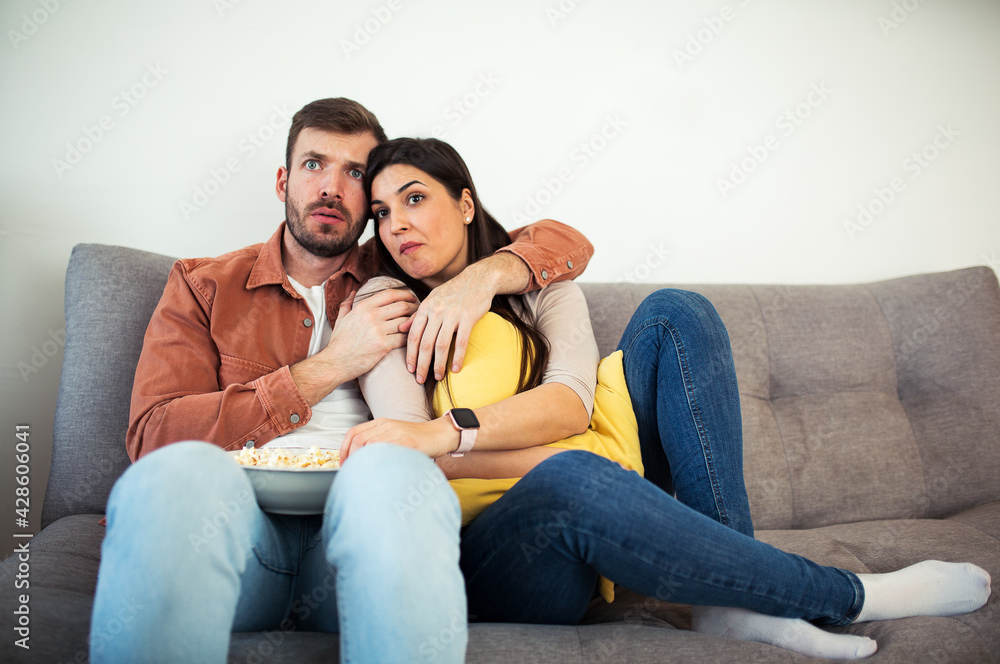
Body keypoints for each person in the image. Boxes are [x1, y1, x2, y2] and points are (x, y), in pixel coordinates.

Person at [342, 136, 993, 660]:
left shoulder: (541, 288)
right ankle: (851, 593)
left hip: (603, 481)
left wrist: (482, 281)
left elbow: (570, 401)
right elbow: (413, 455)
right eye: (381, 213)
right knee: (572, 474)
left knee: (675, 311)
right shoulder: (385, 305)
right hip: (501, 552)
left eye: (414, 198)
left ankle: (729, 605)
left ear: (463, 203)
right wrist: (567, 462)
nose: (396, 224)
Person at [89, 98, 596, 664]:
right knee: (173, 474)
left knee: (393, 474)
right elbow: (155, 434)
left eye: (354, 172)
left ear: (372, 195)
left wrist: (476, 281)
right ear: (283, 179)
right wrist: (334, 362)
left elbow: (560, 242)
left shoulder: (405, 267)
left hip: (358, 535)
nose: (331, 186)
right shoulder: (204, 285)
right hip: (237, 535)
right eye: (314, 165)